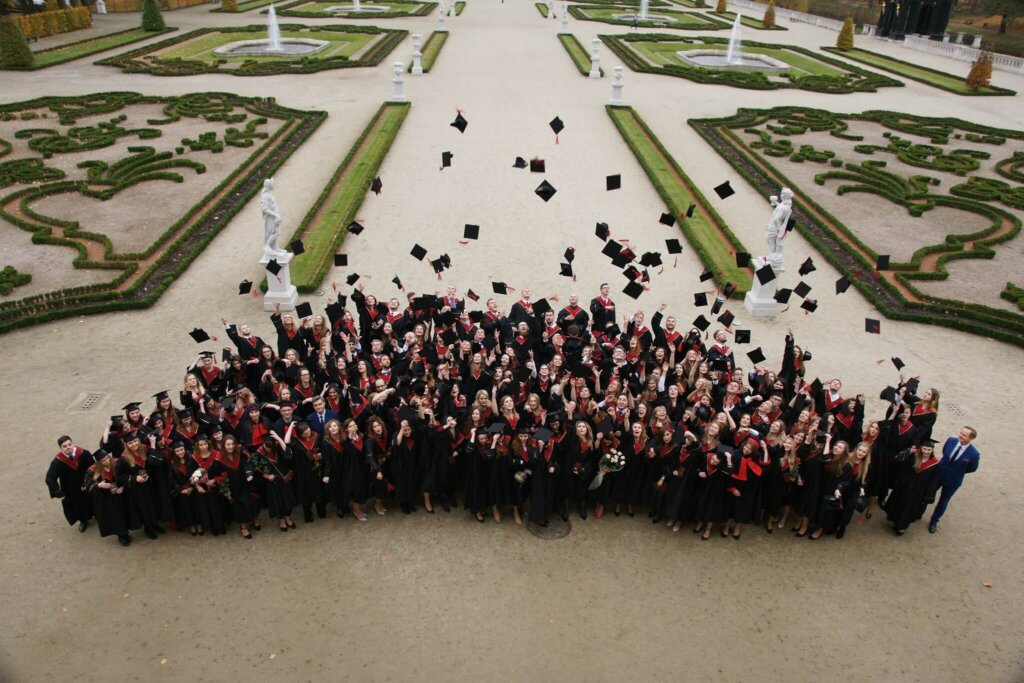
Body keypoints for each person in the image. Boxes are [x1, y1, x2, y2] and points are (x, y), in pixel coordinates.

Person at [928, 426, 980, 534]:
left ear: (971, 438)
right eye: (961, 433)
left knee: (943, 502)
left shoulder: (974, 454)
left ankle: (934, 521)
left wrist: (956, 472)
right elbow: (945, 453)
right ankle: (918, 512)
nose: (960, 435)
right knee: (927, 492)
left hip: (953, 481)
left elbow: (972, 469)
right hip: (939, 474)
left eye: (964, 435)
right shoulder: (951, 440)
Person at [885, 438, 941, 535]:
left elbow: (933, 482)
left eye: (929, 449)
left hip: (917, 492)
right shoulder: (914, 456)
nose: (926, 451)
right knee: (899, 504)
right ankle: (895, 521)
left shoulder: (935, 464)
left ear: (932, 450)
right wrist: (908, 453)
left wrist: (927, 496)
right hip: (904, 487)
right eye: (924, 449)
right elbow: (900, 463)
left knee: (908, 509)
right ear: (921, 448)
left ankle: (901, 527)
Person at [46, 435, 94, 532]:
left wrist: (90, 481)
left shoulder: (83, 453)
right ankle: (83, 521)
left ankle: (97, 515)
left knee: (92, 499)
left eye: (69, 444)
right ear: (61, 448)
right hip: (71, 489)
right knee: (77, 505)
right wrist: (58, 491)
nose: (68, 447)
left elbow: (93, 467)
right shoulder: (58, 462)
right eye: (65, 446)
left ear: (72, 443)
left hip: (87, 484)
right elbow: (50, 477)